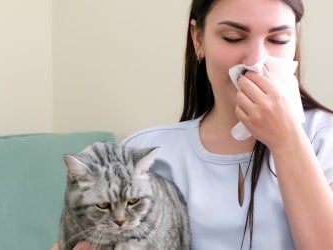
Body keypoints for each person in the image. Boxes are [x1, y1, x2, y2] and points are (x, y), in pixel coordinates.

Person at [52, 0, 333, 249]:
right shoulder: (145, 152)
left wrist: (286, 141)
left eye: (279, 39)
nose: (256, 61)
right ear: (198, 39)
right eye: (233, 37)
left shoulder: (324, 138)